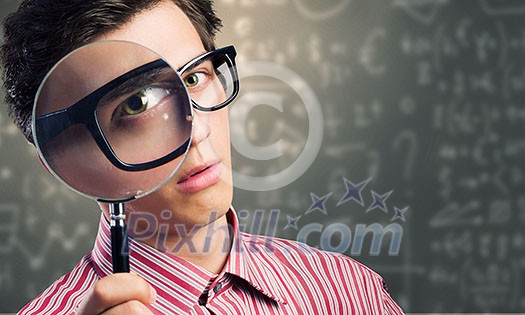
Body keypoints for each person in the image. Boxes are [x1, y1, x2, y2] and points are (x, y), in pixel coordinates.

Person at [1, 0, 405, 314]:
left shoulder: (348, 289)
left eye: (195, 77)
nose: (198, 131)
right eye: (138, 104)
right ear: (63, 166)